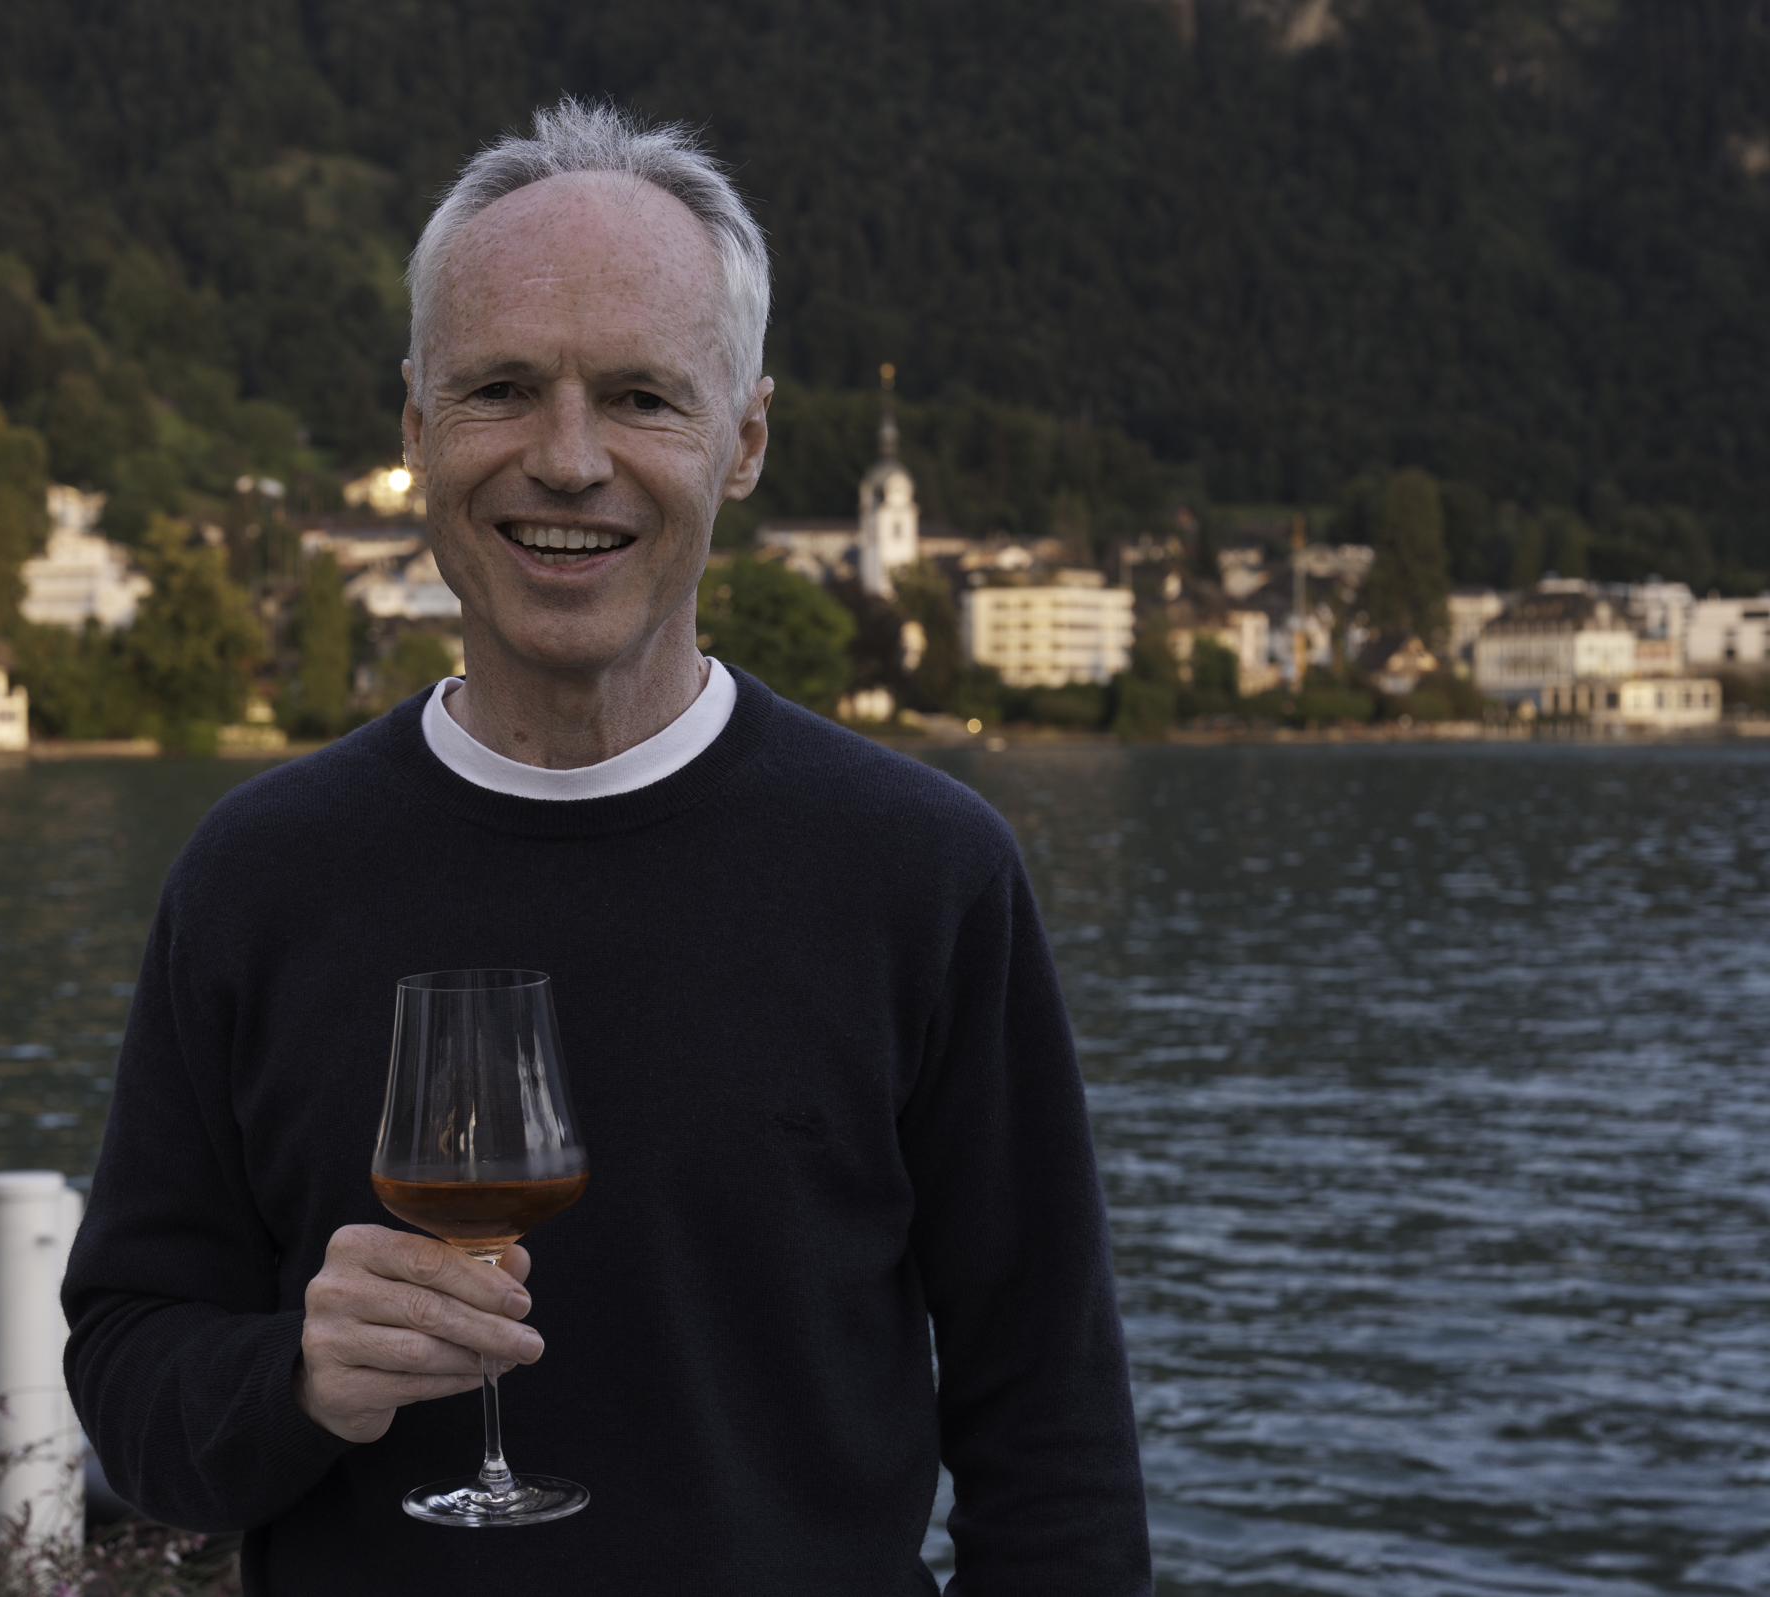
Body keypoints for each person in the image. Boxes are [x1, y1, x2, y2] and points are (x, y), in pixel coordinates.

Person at [64, 99, 1151, 1595]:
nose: (568, 461)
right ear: (415, 428)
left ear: (747, 439)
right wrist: (298, 1378)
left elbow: (1057, 1439)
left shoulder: (924, 874)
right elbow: (130, 1379)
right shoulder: (257, 875)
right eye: (502, 388)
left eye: (643, 397)